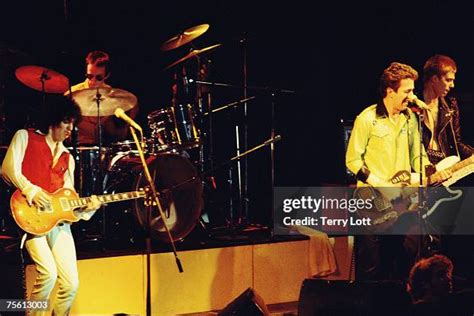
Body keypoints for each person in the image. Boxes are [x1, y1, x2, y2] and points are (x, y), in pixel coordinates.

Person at [345, 62, 450, 280]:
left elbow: (416, 154)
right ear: (390, 91)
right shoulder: (367, 118)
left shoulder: (410, 118)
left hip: (402, 203)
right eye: (407, 91)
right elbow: (352, 160)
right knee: (371, 268)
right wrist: (382, 185)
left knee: (405, 259)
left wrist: (430, 171)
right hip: (371, 202)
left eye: (413, 90)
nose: (412, 96)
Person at [1, 95, 101, 315]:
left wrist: (88, 208)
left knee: (71, 283)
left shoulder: (68, 158)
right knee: (48, 274)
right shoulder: (25, 137)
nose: (70, 129)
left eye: (73, 123)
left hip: (58, 223)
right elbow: (8, 169)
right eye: (66, 122)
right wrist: (31, 190)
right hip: (30, 217)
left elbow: (68, 199)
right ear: (53, 120)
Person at [70, 50, 138, 145]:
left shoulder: (113, 95)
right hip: (79, 148)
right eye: (89, 76)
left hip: (105, 147)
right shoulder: (73, 93)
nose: (92, 82)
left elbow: (118, 133)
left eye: (98, 78)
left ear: (107, 76)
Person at [420, 55, 473, 165]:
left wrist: (472, 154)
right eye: (448, 80)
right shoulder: (412, 104)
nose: (452, 85)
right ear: (434, 78)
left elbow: (456, 142)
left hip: (446, 162)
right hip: (421, 163)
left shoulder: (450, 104)